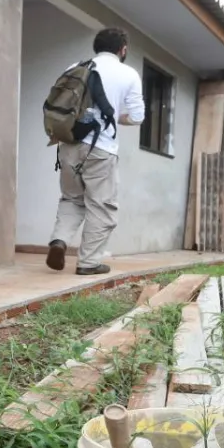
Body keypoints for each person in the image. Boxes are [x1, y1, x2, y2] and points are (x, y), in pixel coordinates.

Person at [46, 27, 146, 276]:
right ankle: (88, 262)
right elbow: (137, 117)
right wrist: (115, 117)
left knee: (71, 199)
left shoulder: (75, 67)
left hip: (68, 144)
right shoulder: (128, 74)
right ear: (123, 49)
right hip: (101, 149)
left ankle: (59, 240)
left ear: (96, 47)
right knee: (101, 206)